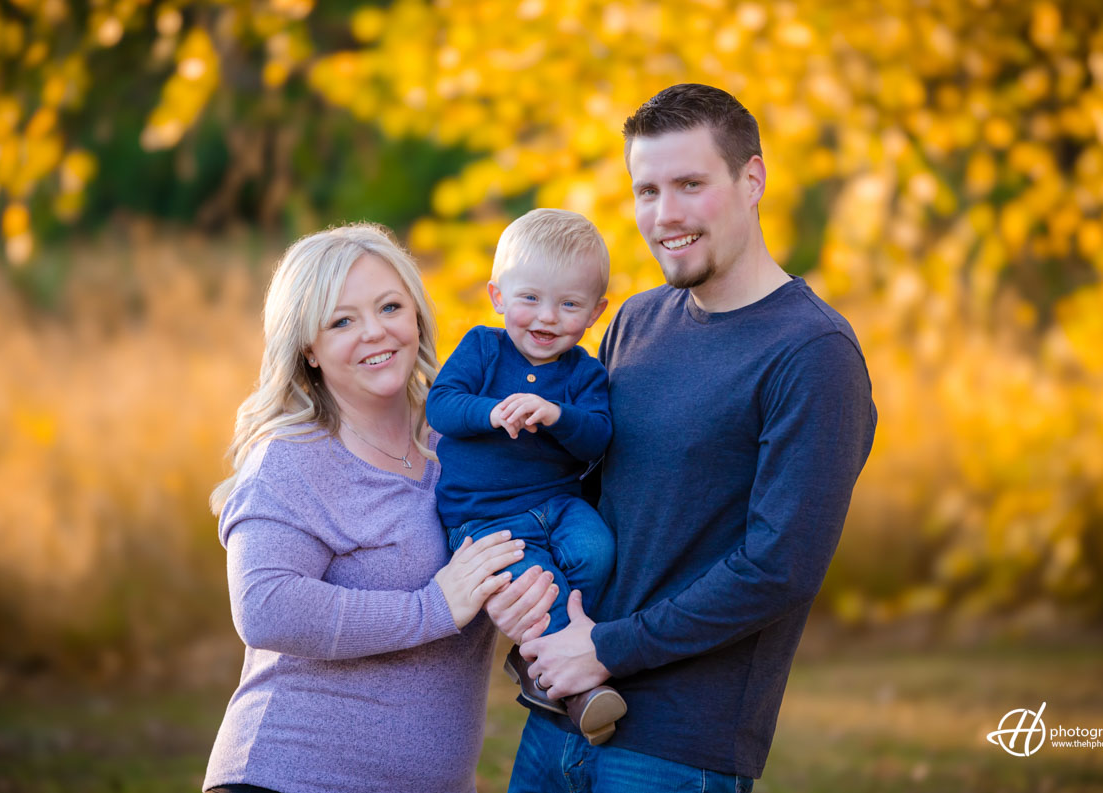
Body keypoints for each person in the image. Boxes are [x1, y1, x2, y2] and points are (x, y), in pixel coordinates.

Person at [507, 84, 878, 792]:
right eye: (646, 189)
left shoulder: (813, 352)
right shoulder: (635, 321)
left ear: (752, 180)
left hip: (677, 753)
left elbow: (778, 567)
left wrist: (606, 649)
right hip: (556, 716)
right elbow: (580, 492)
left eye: (689, 185)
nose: (664, 215)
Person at [201, 223, 554, 793]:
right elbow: (266, 606)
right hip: (290, 779)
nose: (375, 332)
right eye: (342, 320)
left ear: (416, 314)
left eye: (390, 306)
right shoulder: (293, 459)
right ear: (308, 349)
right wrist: (433, 608)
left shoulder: (465, 446)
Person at [425, 208, 626, 745]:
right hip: (486, 517)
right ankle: (568, 687)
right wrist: (489, 413)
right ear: (497, 296)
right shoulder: (482, 349)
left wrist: (557, 414)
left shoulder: (585, 373)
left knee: (597, 550)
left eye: (569, 305)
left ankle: (540, 653)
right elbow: (440, 405)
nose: (546, 317)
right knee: (540, 584)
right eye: (530, 298)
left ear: (595, 313)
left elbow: (599, 437)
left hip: (557, 503)